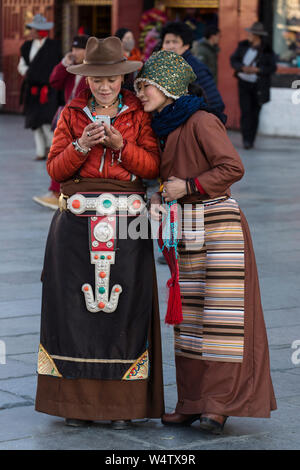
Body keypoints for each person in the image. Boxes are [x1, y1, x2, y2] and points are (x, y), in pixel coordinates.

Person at [135, 50, 277, 434]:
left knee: (220, 323)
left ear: (167, 87)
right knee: (191, 321)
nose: (141, 92)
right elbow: (170, 180)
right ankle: (191, 402)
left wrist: (191, 186)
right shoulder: (163, 126)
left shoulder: (201, 120)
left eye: (145, 85)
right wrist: (160, 196)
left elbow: (233, 167)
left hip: (219, 226)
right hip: (188, 228)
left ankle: (217, 404)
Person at [35, 37, 164, 429]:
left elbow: (152, 168)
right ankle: (75, 405)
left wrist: (122, 146)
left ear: (123, 76)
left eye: (111, 78)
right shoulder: (71, 113)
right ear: (86, 79)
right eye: (96, 79)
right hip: (75, 224)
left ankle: (121, 406)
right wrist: (79, 145)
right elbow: (56, 171)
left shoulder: (138, 115)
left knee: (126, 311)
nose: (104, 86)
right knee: (72, 312)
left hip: (129, 223)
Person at [33, 35, 89, 210]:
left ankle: (59, 193)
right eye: (73, 49)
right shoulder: (72, 68)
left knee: (68, 156)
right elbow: (54, 81)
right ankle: (57, 192)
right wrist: (64, 63)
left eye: (78, 49)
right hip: (68, 117)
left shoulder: (93, 70)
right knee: (60, 154)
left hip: (83, 119)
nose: (75, 52)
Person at [18, 14, 61, 160]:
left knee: (47, 121)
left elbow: (58, 67)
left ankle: (52, 148)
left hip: (48, 90)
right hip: (33, 89)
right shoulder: (26, 46)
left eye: (34, 29)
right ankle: (40, 152)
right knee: (34, 122)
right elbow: (22, 65)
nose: (31, 32)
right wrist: (29, 73)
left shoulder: (54, 47)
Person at [161, 21, 225, 116]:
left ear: (186, 45)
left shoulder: (195, 68)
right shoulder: (164, 65)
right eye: (167, 42)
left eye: (175, 42)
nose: (170, 46)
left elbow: (215, 103)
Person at [230, 22, 277, 150]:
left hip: (259, 86)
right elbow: (233, 60)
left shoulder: (267, 49)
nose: (248, 35)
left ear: (257, 35)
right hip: (244, 83)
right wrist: (241, 68)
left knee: (255, 112)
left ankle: (251, 139)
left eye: (251, 33)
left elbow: (272, 67)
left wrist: (258, 70)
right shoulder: (243, 45)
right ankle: (246, 139)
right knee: (245, 111)